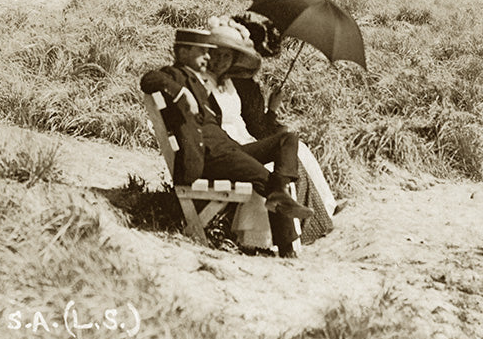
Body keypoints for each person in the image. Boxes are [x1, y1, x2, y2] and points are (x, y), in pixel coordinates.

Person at [140, 28, 314, 251]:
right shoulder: (174, 75)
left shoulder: (197, 81)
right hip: (210, 156)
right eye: (202, 52)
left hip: (228, 150)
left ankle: (278, 195)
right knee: (270, 180)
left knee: (287, 139)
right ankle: (287, 249)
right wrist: (179, 93)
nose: (207, 57)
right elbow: (149, 79)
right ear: (183, 53)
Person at [201, 15, 338, 252]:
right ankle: (282, 228)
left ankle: (293, 210)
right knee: (287, 148)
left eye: (227, 56)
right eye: (217, 54)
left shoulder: (229, 83)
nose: (221, 61)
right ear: (208, 54)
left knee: (291, 145)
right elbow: (225, 129)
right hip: (228, 149)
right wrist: (271, 113)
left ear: (235, 59)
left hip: (241, 141)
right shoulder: (204, 85)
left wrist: (271, 110)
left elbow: (248, 122)